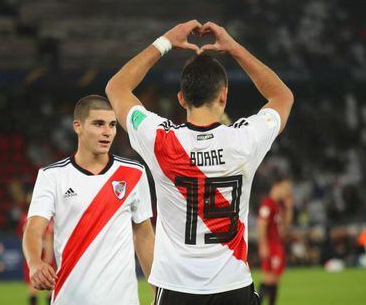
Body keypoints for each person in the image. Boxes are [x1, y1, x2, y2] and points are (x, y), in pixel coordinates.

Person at [106, 20, 294, 305]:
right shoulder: (245, 139)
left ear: (181, 99)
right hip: (233, 286)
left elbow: (117, 88)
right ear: (224, 95)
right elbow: (282, 96)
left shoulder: (160, 141)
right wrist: (234, 48)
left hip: (177, 288)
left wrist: (166, 41)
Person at [22, 95, 155, 305]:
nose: (107, 132)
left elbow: (144, 235)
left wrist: (158, 292)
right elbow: (34, 229)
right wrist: (35, 263)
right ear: (78, 126)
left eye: (112, 125)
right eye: (98, 124)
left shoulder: (134, 173)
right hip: (70, 299)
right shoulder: (51, 176)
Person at [257, 177, 293, 305]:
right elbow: (261, 224)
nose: (288, 192)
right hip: (271, 246)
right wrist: (263, 245)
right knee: (268, 279)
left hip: (278, 245)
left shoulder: (278, 205)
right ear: (277, 187)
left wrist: (289, 208)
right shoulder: (268, 204)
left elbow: (285, 229)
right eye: (286, 188)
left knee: (275, 280)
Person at [18, 193, 55, 305]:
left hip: (32, 254)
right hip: (42, 252)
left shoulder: (24, 217)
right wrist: (49, 257)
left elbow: (24, 238)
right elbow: (48, 238)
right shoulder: (46, 217)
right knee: (50, 287)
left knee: (32, 286)